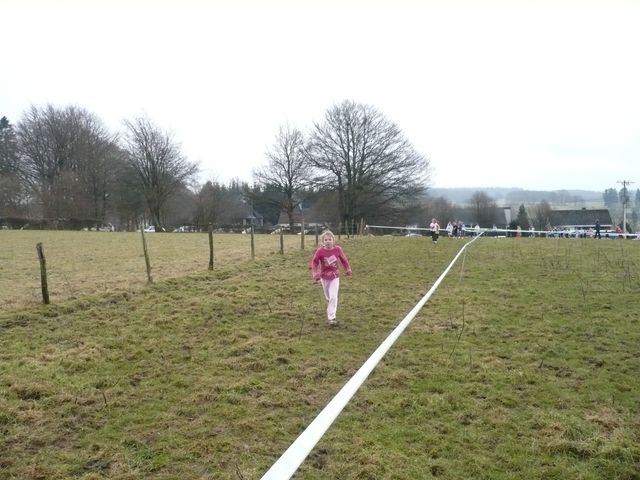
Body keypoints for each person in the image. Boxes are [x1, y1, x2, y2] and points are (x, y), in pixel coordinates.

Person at [310, 230, 352, 326]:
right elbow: (314, 262)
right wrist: (315, 273)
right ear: (323, 242)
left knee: (333, 297)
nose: (328, 241)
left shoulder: (338, 249)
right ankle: (330, 306)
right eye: (326, 240)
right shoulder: (320, 251)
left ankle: (332, 317)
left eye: (330, 239)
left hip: (335, 276)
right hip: (324, 277)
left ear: (333, 240)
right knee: (328, 297)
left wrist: (348, 270)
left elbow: (344, 260)